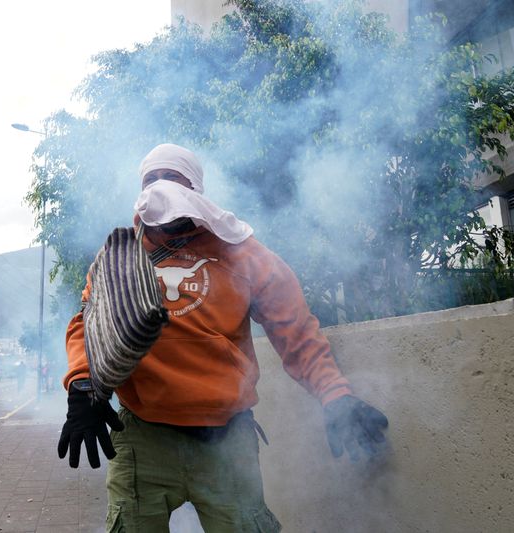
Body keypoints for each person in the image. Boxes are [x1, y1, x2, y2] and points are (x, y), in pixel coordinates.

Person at [58, 143, 389, 532]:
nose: (161, 186)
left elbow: (295, 328)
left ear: (196, 188)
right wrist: (83, 386)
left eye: (173, 178)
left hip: (226, 439)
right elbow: (87, 324)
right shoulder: (121, 256)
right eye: (151, 179)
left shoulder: (241, 252)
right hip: (142, 436)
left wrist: (335, 394)